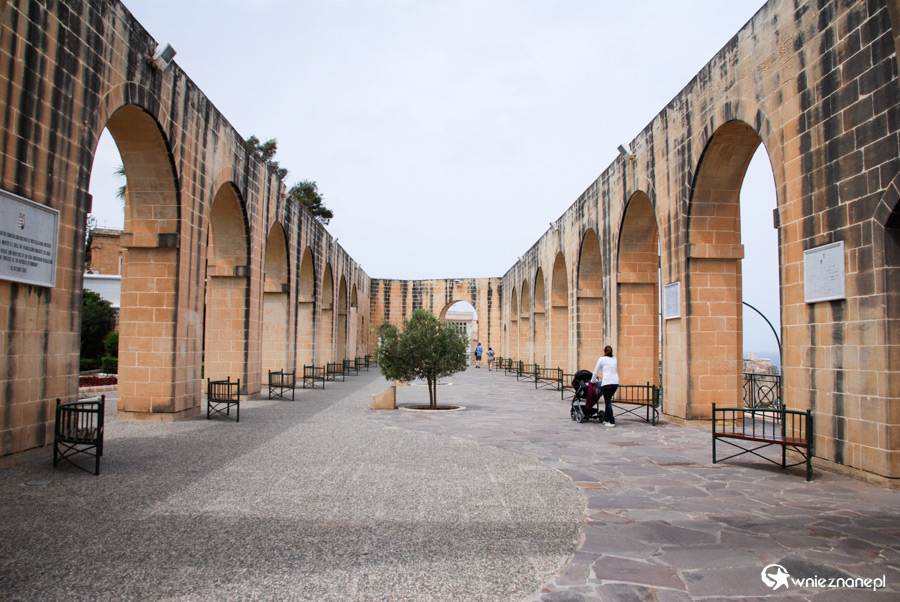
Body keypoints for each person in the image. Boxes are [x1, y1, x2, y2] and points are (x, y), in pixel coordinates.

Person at [591, 345, 619, 427]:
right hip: (615, 382)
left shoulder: (601, 359)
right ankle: (606, 419)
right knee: (608, 401)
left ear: (604, 352)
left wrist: (592, 381)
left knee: (608, 402)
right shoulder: (614, 359)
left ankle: (612, 421)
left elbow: (595, 372)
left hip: (607, 383)